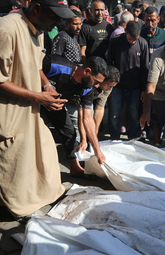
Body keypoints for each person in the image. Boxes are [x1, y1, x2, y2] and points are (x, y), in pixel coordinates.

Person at [0, 0, 73, 218]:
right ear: (37, 8)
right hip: (9, 111)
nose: (58, 22)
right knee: (12, 162)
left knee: (45, 153)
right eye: (54, 17)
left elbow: (37, 65)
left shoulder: (39, 30)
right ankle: (14, 207)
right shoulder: (7, 28)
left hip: (31, 109)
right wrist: (37, 97)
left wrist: (47, 86)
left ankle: (37, 198)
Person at [42, 55, 107, 178]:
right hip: (33, 99)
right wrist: (46, 85)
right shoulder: (56, 64)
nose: (97, 86)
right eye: (96, 81)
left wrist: (97, 150)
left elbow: (88, 119)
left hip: (55, 104)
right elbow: (34, 68)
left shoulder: (87, 89)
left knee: (69, 132)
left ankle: (75, 167)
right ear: (87, 71)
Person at [107, 21, 149, 140]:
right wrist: (109, 85)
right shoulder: (115, 41)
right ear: (125, 32)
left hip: (135, 87)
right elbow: (109, 63)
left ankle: (133, 139)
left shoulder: (143, 43)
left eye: (135, 39)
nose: (132, 42)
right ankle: (114, 138)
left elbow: (144, 68)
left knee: (134, 115)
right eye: (130, 39)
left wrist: (143, 89)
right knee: (114, 114)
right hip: (117, 86)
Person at [78, 66, 120, 149]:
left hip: (87, 102)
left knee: (92, 131)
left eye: (113, 87)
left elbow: (100, 108)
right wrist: (83, 138)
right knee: (77, 127)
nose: (110, 89)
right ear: (102, 80)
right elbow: (82, 113)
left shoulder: (108, 88)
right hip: (74, 101)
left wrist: (95, 134)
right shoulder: (89, 83)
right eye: (109, 85)